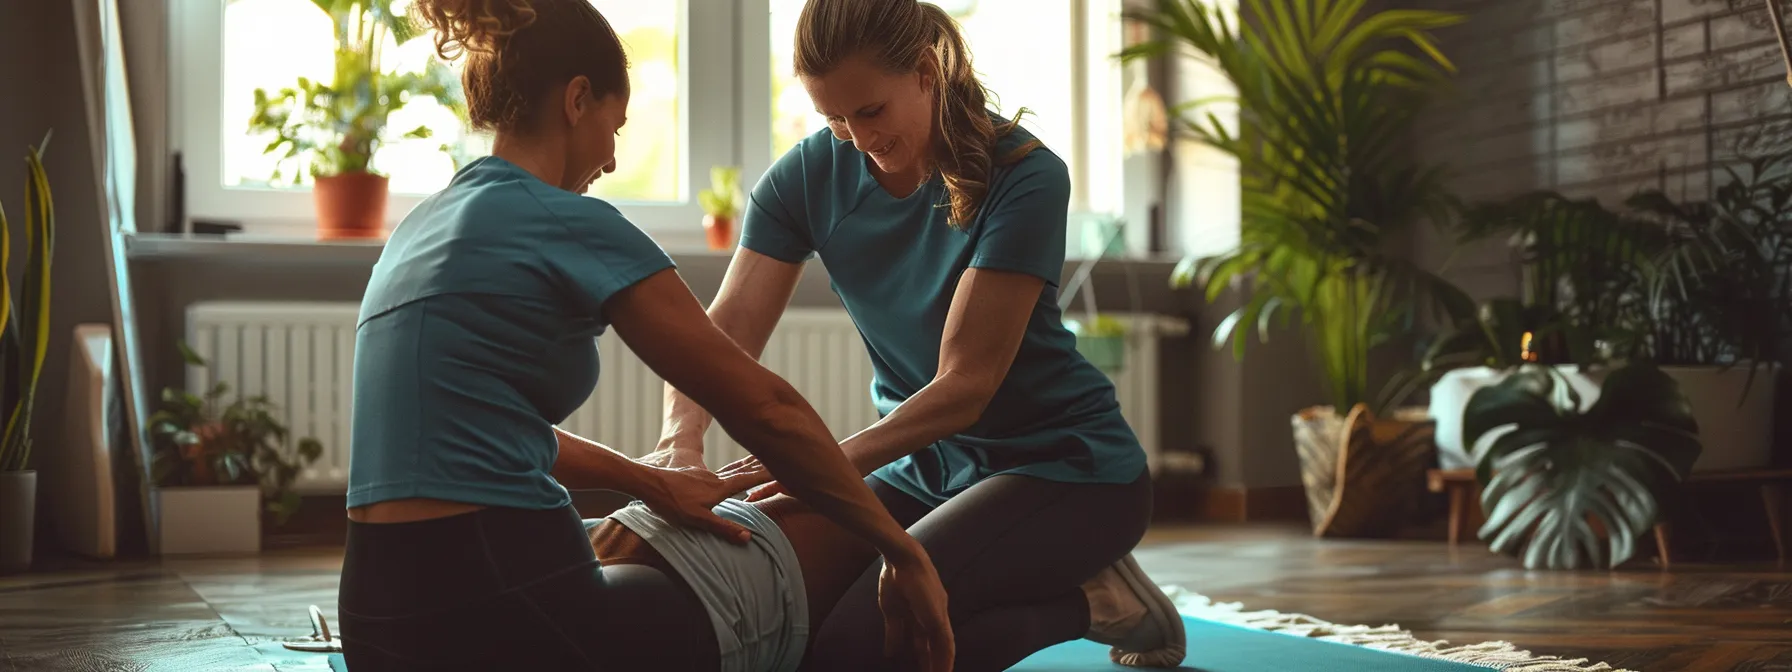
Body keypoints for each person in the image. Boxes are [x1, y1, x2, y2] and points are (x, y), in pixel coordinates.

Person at [334, 1, 955, 670]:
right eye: (615, 126)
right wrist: (901, 546)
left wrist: (649, 479)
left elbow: (483, 432)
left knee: (635, 549)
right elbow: (766, 408)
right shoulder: (569, 223)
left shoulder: (417, 229)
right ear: (578, 100)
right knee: (794, 572)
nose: (608, 158)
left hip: (375, 617)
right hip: (500, 608)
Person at [648, 0, 1186, 669]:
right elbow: (720, 340)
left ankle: (1099, 603)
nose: (854, 135)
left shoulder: (1024, 175)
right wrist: (680, 440)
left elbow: (966, 385)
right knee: (805, 627)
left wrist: (820, 464)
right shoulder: (807, 176)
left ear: (927, 71)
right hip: (926, 471)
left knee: (863, 646)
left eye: (869, 110)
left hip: (1065, 470)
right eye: (832, 117)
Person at [582, 490, 1188, 672]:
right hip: (724, 579)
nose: (612, 172)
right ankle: (1090, 600)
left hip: (732, 553)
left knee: (872, 647)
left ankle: (1074, 592)